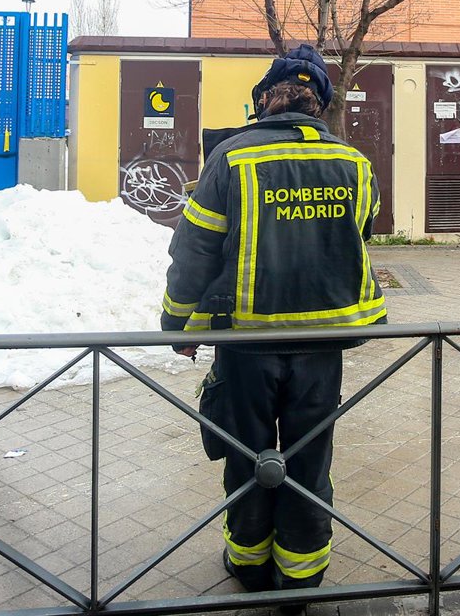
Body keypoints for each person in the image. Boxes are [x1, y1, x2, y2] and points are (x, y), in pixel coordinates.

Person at [160, 44, 386, 607]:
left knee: (248, 457)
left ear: (263, 100)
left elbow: (195, 249)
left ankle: (249, 565)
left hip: (247, 343)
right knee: (310, 459)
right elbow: (360, 233)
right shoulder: (353, 162)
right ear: (320, 105)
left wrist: (177, 321)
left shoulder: (232, 157)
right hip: (321, 345)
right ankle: (302, 577)